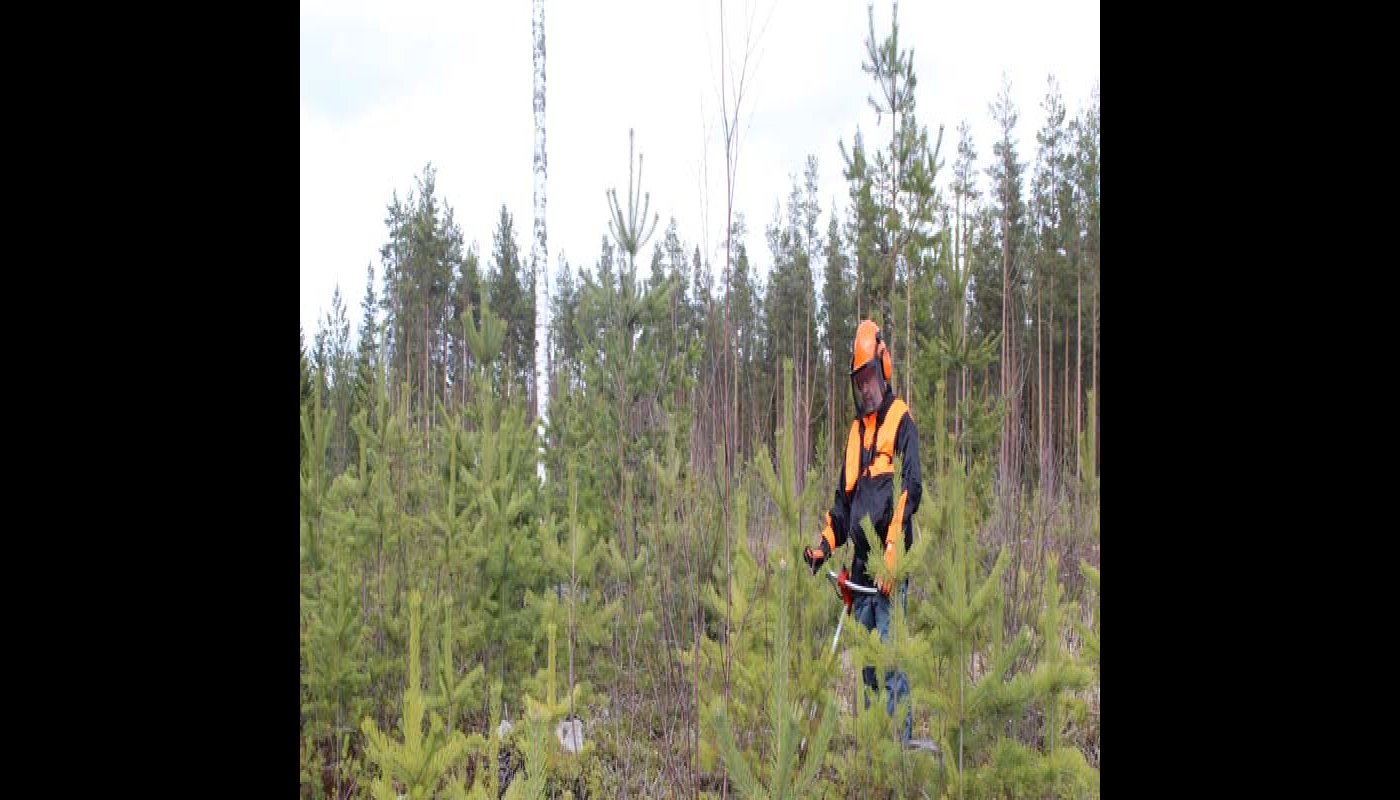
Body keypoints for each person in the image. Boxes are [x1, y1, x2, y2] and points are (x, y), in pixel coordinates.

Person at [803, 319, 922, 742]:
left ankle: (899, 755)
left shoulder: (900, 421)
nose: (865, 387)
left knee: (892, 665)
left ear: (884, 369)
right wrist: (824, 547)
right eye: (859, 379)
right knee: (868, 671)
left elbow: (910, 489)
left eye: (870, 376)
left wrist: (893, 553)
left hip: (889, 569)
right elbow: (842, 504)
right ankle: (875, 755)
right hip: (859, 575)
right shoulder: (856, 434)